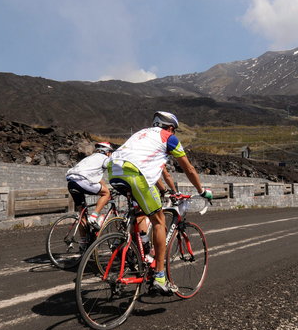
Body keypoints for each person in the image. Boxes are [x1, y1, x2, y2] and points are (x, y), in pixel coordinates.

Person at [108, 111, 212, 294]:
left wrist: (164, 190)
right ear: (171, 128)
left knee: (140, 210)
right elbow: (188, 168)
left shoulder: (142, 133)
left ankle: (139, 246)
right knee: (159, 221)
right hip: (135, 174)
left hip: (113, 170)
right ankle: (160, 276)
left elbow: (148, 166)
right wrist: (202, 191)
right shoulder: (169, 138)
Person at [66, 142, 114, 247]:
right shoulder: (105, 158)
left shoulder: (90, 158)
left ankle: (83, 243)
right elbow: (113, 168)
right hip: (82, 181)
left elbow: (98, 178)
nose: (110, 154)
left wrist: (104, 185)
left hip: (71, 183)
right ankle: (94, 217)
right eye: (110, 152)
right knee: (106, 194)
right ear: (107, 152)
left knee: (82, 214)